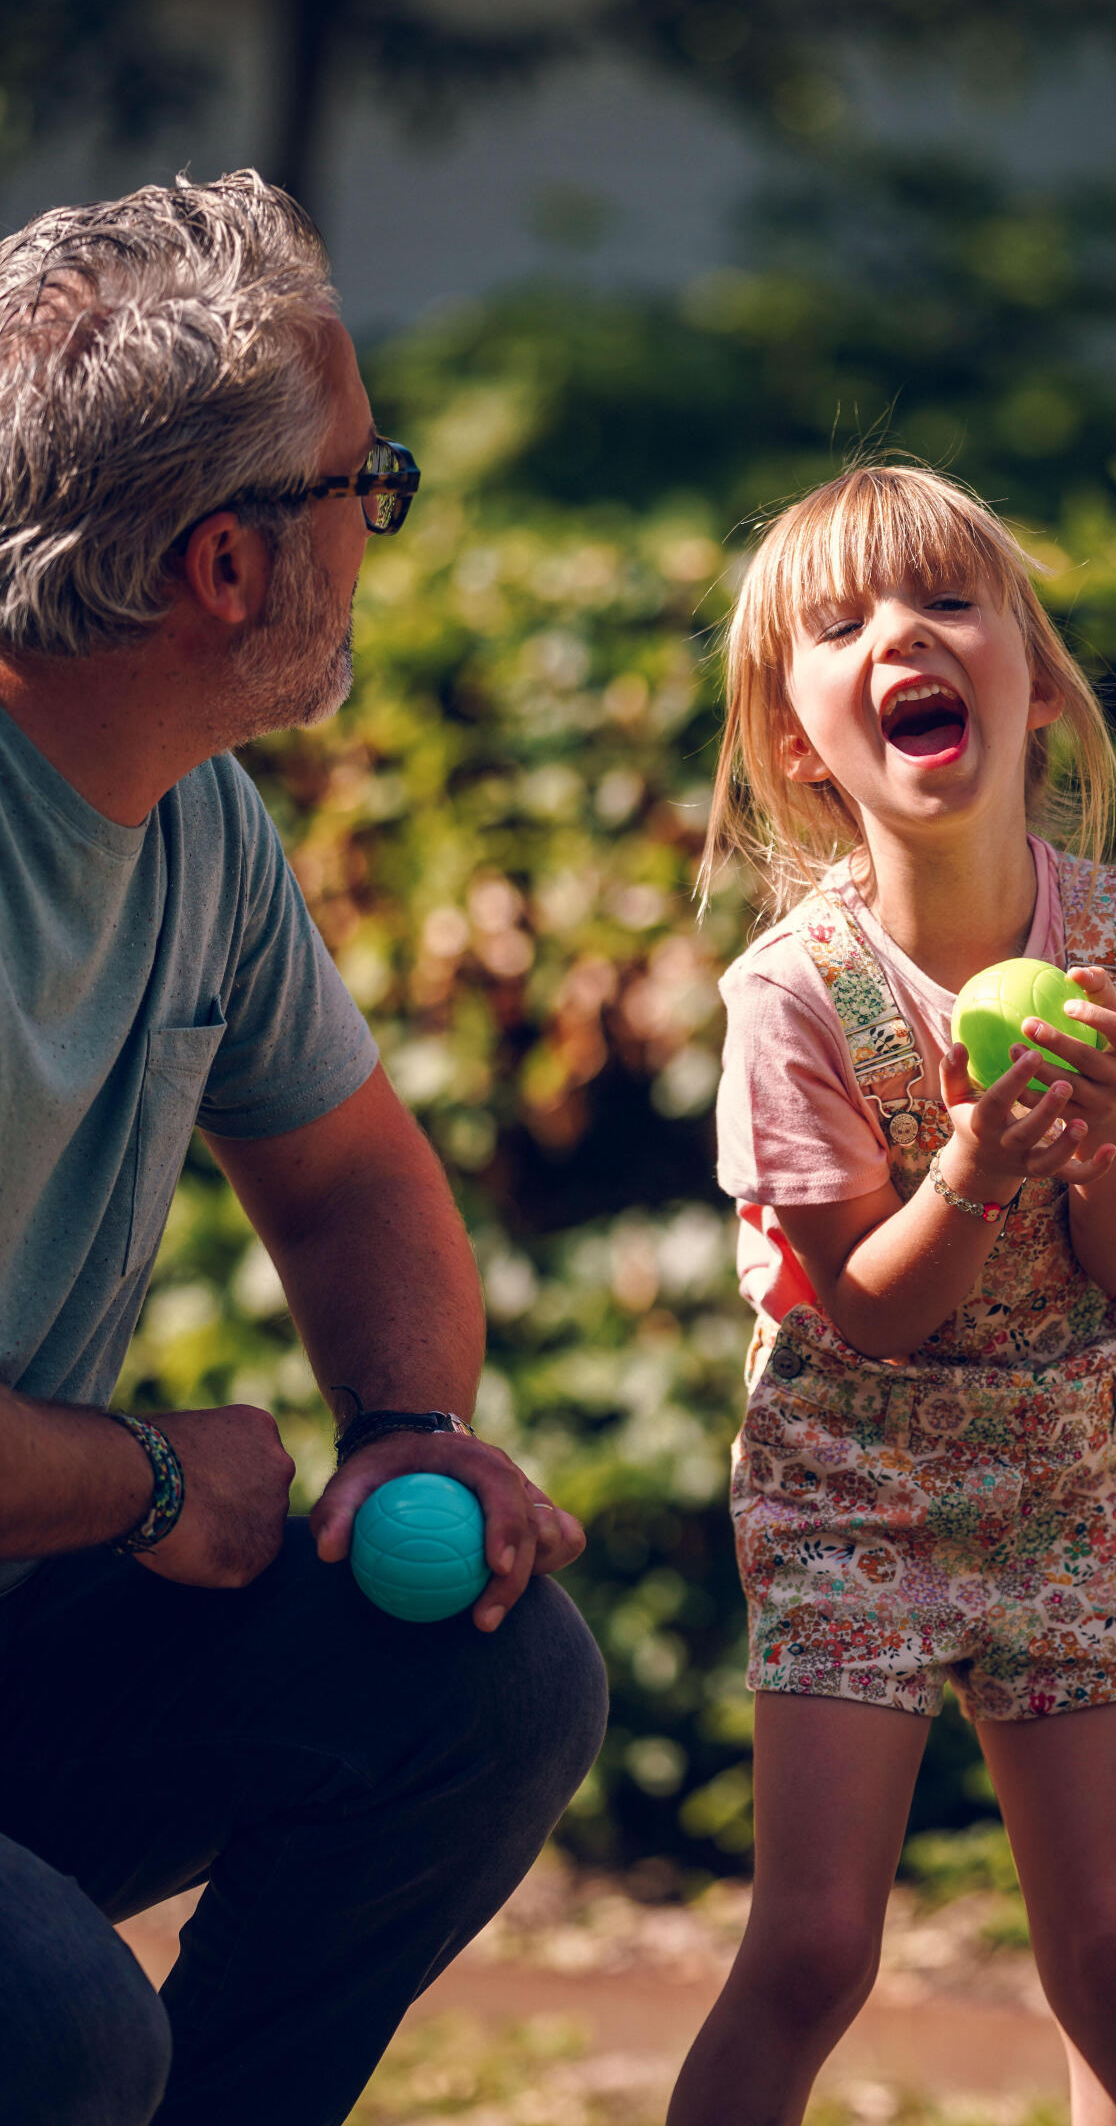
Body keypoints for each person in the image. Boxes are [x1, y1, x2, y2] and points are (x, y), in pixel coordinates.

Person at [0, 172, 607, 2126]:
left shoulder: (189, 824)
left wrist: (406, 1436)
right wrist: (154, 1479)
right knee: (57, 2021)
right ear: (227, 568)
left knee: (487, 1683)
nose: (381, 523)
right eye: (366, 482)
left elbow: (348, 1179)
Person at [668, 464, 1116, 2126]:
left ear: (1036, 683)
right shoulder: (788, 996)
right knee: (816, 1946)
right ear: (797, 743)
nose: (899, 635)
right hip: (855, 1489)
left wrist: (1106, 1130)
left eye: (944, 603)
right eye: (840, 627)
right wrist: (977, 1167)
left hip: (1068, 1483)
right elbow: (871, 1307)